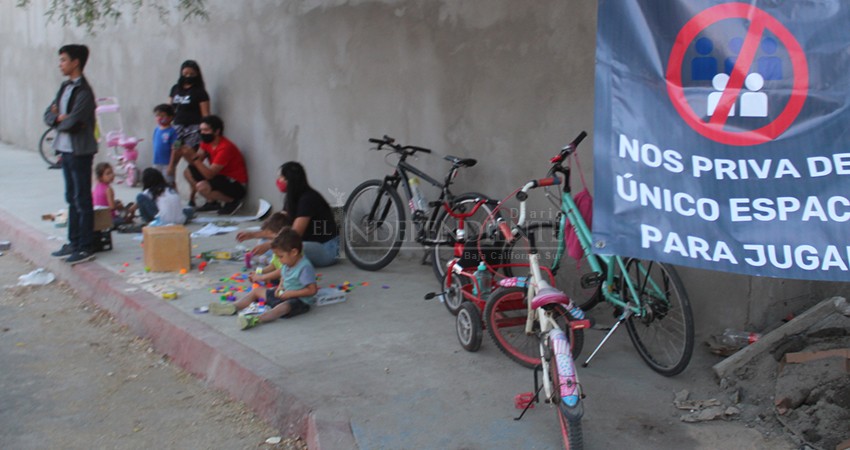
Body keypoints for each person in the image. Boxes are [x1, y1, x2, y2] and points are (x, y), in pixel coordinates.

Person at [44, 44, 98, 265]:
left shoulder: (84, 91)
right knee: (71, 198)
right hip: (65, 150)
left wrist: (62, 119)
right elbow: (48, 115)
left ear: (76, 62)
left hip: (80, 151)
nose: (60, 64)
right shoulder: (65, 87)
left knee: (82, 199)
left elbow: (75, 121)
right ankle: (73, 242)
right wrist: (58, 118)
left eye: (64, 60)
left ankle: (86, 246)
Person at [208, 228, 318, 330]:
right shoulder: (287, 263)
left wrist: (290, 294)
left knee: (283, 308)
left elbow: (312, 290)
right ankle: (232, 307)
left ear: (294, 252)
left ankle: (255, 319)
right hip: (283, 295)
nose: (279, 261)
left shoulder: (304, 267)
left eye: (281, 256)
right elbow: (284, 277)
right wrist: (280, 287)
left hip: (299, 301)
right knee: (257, 291)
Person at [235, 162, 339, 267]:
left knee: (291, 248)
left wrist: (270, 245)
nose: (278, 181)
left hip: (327, 249)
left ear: (290, 180)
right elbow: (280, 227)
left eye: (281, 177)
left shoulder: (308, 199)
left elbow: (294, 234)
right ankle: (277, 260)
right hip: (302, 241)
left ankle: (276, 262)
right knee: (265, 241)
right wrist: (253, 234)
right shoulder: (291, 198)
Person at [180, 115, 248, 215]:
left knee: (202, 186)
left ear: (217, 131)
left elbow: (209, 174)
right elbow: (196, 162)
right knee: (188, 171)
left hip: (235, 184)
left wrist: (193, 157)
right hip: (219, 177)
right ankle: (211, 202)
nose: (202, 133)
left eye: (206, 130)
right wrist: (185, 153)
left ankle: (232, 202)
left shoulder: (225, 148)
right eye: (201, 130)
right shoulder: (206, 142)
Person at [169, 60, 210, 206]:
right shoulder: (175, 89)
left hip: (192, 130)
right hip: (177, 130)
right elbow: (169, 109)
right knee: (172, 162)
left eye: (191, 74)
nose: (188, 76)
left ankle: (193, 197)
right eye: (185, 73)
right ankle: (172, 195)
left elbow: (205, 114)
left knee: (193, 164)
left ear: (197, 74)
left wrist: (204, 133)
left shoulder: (200, 92)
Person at [92, 162, 134, 228]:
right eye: (108, 174)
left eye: (112, 172)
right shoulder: (108, 189)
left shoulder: (96, 187)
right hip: (108, 219)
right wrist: (118, 206)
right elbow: (112, 207)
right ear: (101, 177)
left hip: (97, 218)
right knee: (125, 217)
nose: (112, 175)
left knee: (117, 203)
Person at [151, 104, 179, 184]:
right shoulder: (156, 129)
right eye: (157, 115)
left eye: (163, 116)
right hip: (157, 162)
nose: (159, 118)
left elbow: (176, 148)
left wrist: (171, 165)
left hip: (167, 163)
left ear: (170, 117)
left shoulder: (173, 131)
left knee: (169, 182)